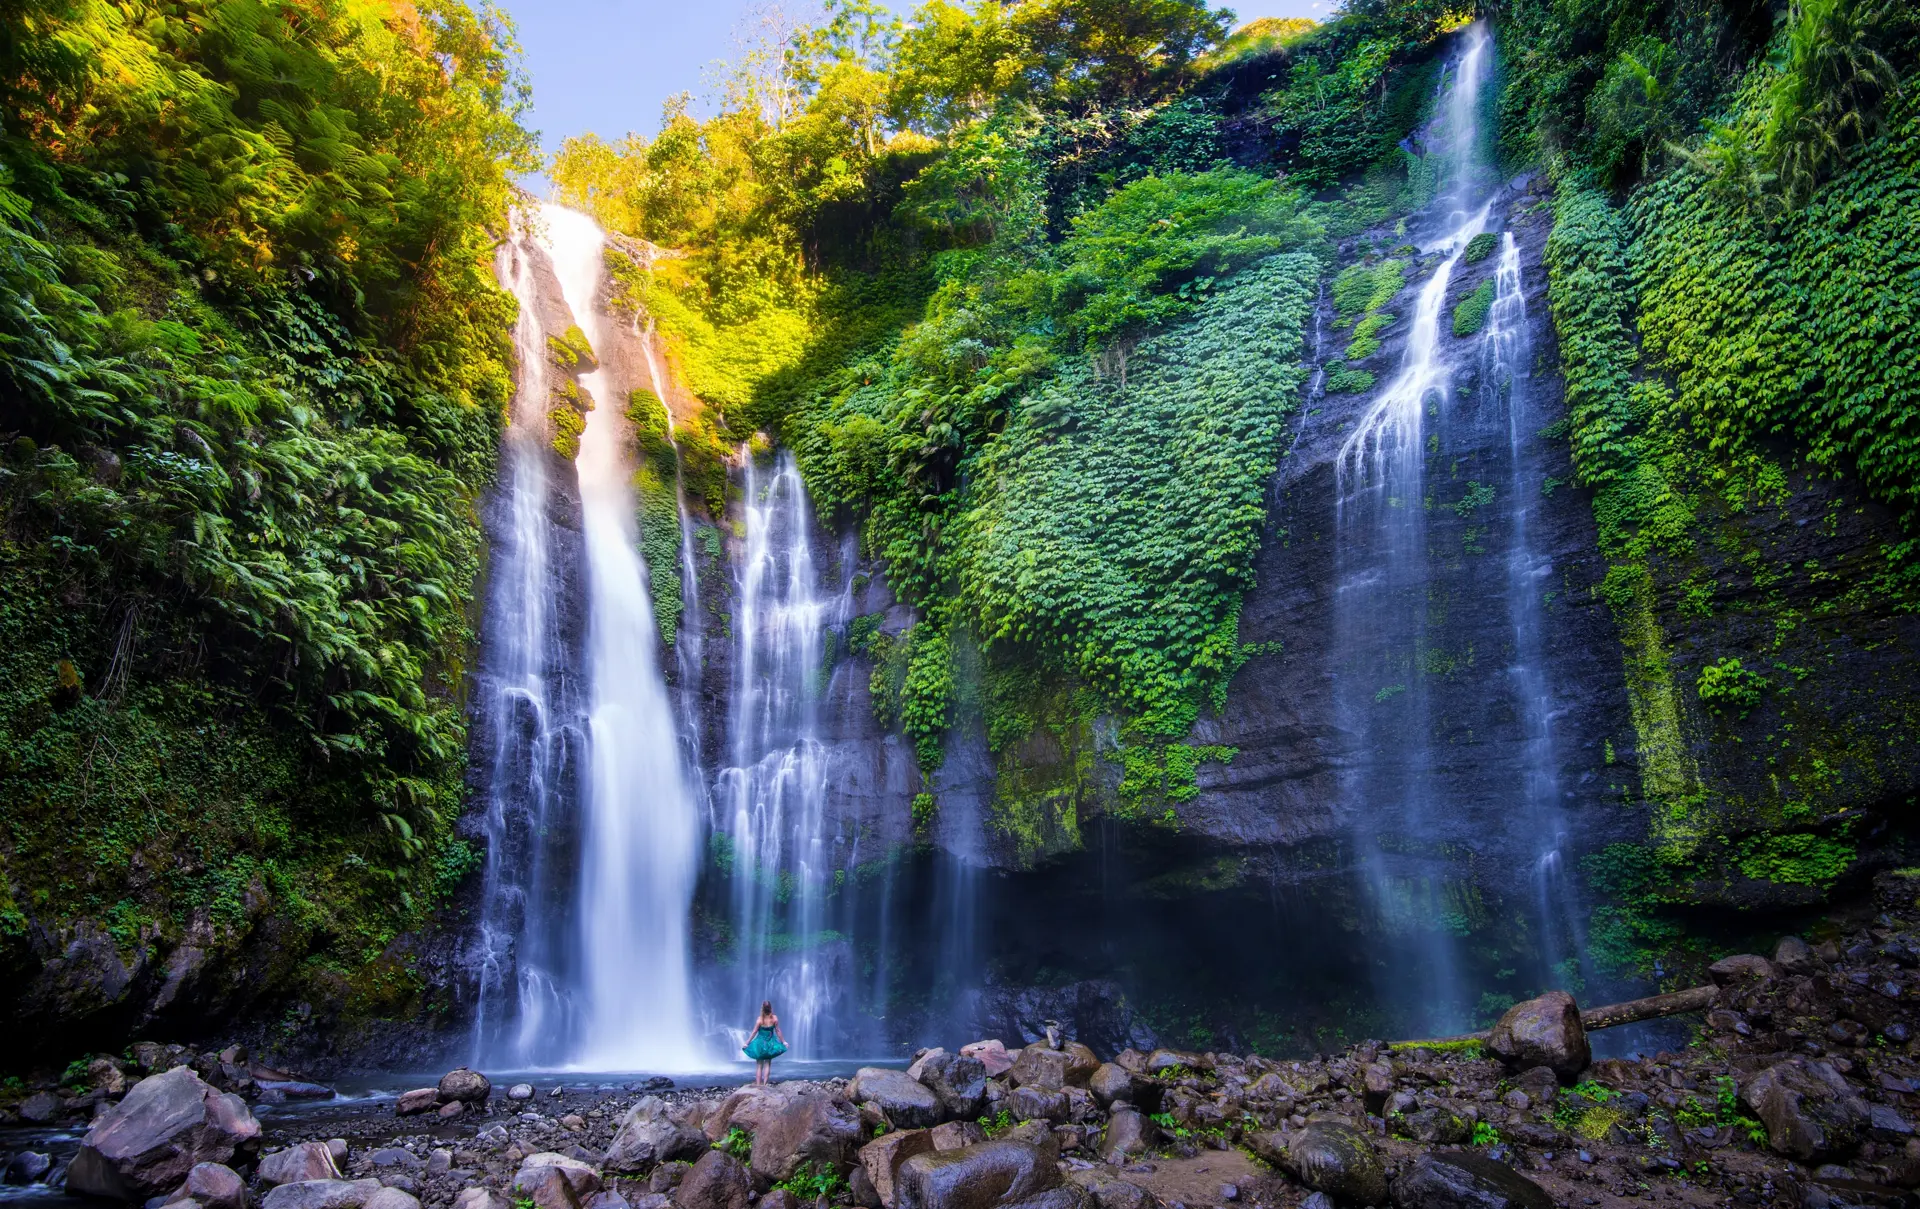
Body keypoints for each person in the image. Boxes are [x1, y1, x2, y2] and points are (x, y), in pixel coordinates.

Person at [743, 999, 787, 1084]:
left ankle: (758, 1086)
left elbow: (754, 1032)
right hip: (770, 1044)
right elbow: (778, 1031)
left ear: (762, 1009)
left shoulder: (759, 1020)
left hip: (759, 1044)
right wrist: (783, 1042)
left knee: (759, 1065)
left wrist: (747, 1043)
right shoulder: (774, 1019)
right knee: (768, 1064)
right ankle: (764, 1084)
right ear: (770, 1008)